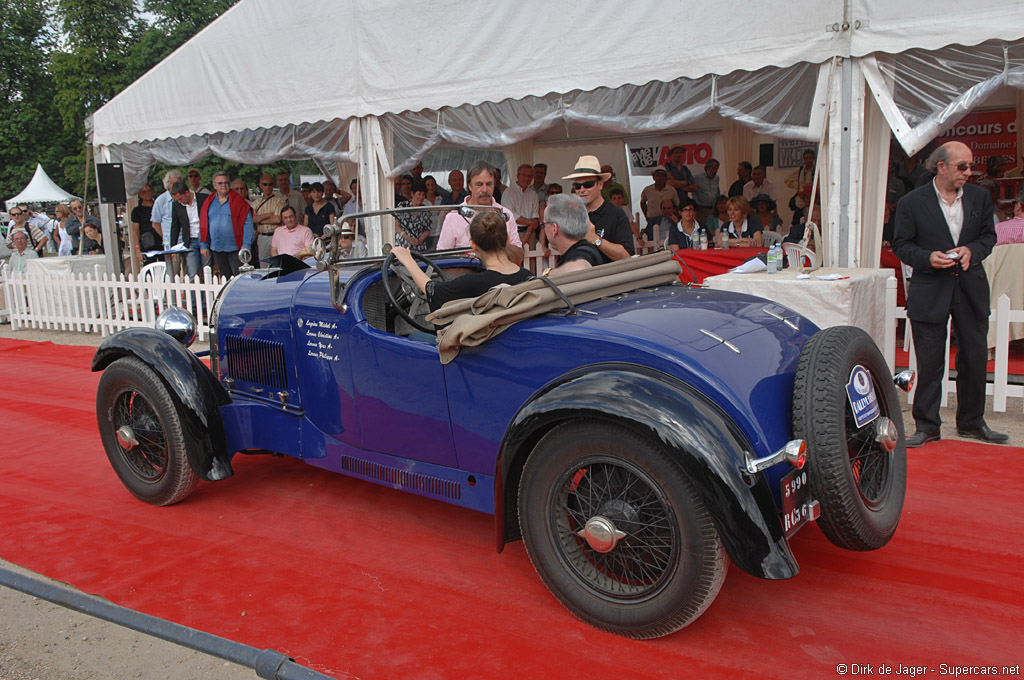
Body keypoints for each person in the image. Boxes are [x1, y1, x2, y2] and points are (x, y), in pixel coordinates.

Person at [893, 141, 1007, 446]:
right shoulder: (912, 202)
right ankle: (927, 425)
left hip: (970, 287)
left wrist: (972, 250)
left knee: (974, 356)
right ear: (940, 166)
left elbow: (988, 237)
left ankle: (972, 421)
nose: (968, 172)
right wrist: (928, 258)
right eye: (962, 166)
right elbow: (902, 245)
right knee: (930, 361)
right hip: (931, 287)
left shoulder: (980, 198)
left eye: (971, 166)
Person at [393, 210, 532, 313]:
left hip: (479, 347)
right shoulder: (528, 277)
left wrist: (407, 260)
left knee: (413, 337)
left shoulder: (472, 283)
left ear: (473, 245)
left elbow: (432, 290)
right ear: (507, 239)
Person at [437, 161, 523, 264]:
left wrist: (500, 242)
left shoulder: (505, 214)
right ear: (469, 185)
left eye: (489, 184)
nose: (485, 189)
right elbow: (442, 257)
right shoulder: (454, 216)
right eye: (479, 184)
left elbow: (518, 257)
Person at [564, 155, 635, 263]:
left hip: (608, 277)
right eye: (577, 186)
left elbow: (627, 255)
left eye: (588, 184)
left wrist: (596, 239)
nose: (582, 190)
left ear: (600, 184)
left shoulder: (616, 214)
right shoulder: (573, 214)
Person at [200, 171, 254, 278]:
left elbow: (247, 225)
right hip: (216, 247)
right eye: (220, 183)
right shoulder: (209, 202)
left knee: (239, 278)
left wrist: (246, 247)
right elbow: (204, 224)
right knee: (224, 277)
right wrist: (203, 245)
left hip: (235, 248)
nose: (223, 185)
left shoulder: (239, 202)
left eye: (226, 182)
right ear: (215, 186)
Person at [542, 194, 603, 276]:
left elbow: (580, 267)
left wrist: (549, 274)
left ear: (554, 228)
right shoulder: (584, 249)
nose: (544, 228)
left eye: (544, 224)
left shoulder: (582, 253)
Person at [169, 181, 205, 278]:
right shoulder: (177, 205)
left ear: (187, 192)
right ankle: (194, 293)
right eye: (177, 200)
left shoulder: (203, 198)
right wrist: (173, 247)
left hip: (205, 240)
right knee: (193, 273)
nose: (179, 202)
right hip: (190, 241)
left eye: (180, 198)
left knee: (206, 272)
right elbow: (175, 226)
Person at [501, 163, 541, 246]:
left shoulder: (533, 194)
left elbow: (535, 219)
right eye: (524, 175)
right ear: (517, 176)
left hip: (529, 233)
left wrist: (527, 234)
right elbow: (511, 216)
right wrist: (530, 222)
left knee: (531, 258)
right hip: (512, 233)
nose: (526, 178)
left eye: (529, 176)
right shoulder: (508, 193)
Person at [251, 173, 286, 266]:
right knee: (263, 264)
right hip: (262, 237)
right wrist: (268, 215)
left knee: (278, 264)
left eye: (270, 184)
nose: (268, 187)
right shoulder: (256, 203)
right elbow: (253, 219)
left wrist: (260, 219)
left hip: (276, 235)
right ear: (260, 185)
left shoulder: (279, 200)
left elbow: (277, 219)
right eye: (265, 184)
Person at [395, 179, 433, 252]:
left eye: (423, 195)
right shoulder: (402, 206)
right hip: (403, 244)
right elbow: (397, 225)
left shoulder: (425, 209)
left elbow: (428, 229)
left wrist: (420, 240)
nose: (421, 197)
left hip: (419, 246)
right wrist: (408, 239)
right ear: (412, 194)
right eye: (419, 194)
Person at [640, 166, 677, 239]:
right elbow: (643, 203)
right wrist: (647, 216)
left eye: (662, 176)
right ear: (654, 177)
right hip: (652, 220)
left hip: (668, 220)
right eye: (657, 175)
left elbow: (676, 204)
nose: (660, 178)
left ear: (666, 178)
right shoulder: (647, 190)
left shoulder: (671, 190)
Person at [785, 149, 816, 224]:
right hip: (800, 203)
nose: (808, 160)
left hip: (813, 202)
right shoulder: (800, 170)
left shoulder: (816, 170)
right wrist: (799, 187)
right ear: (803, 159)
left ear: (813, 159)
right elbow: (787, 179)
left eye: (810, 158)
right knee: (796, 224)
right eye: (806, 158)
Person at [130, 184, 159, 258]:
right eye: (144, 192)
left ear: (152, 192)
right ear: (140, 194)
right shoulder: (137, 211)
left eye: (149, 191)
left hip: (160, 241)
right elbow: (136, 231)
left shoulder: (158, 207)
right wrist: (137, 249)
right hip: (147, 243)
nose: (147, 194)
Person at [693, 158, 721, 227]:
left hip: (713, 209)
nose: (715, 171)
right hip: (701, 210)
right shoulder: (697, 178)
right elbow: (691, 188)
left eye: (716, 169)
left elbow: (717, 192)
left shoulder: (716, 178)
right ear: (706, 168)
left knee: (713, 229)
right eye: (713, 168)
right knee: (701, 228)